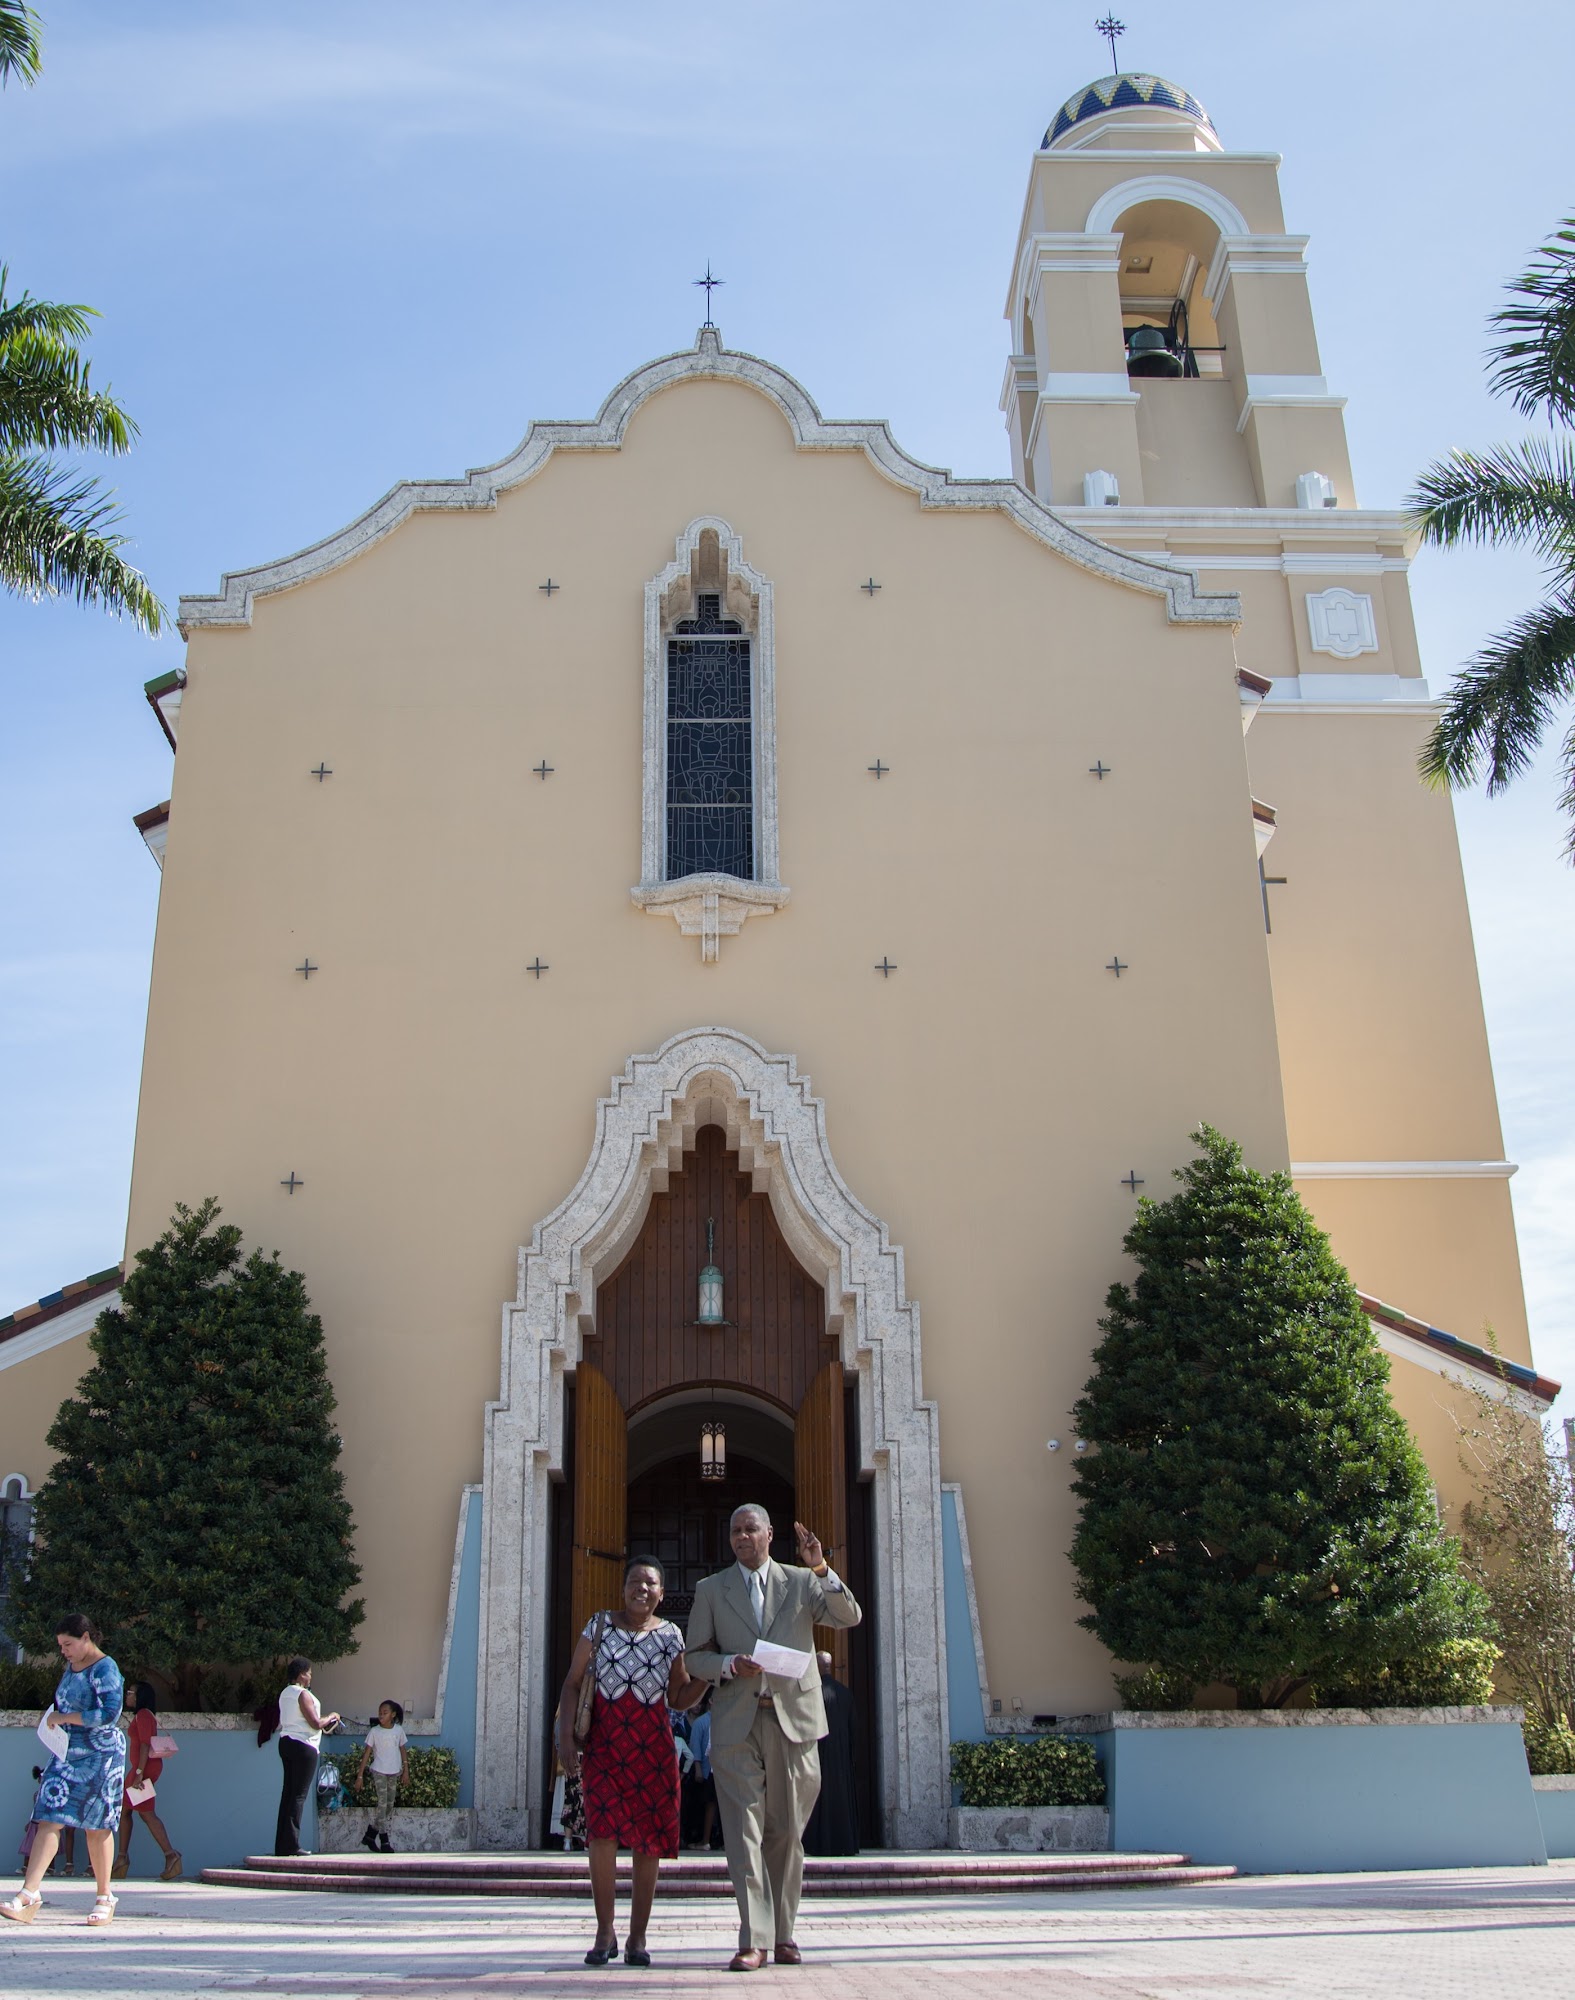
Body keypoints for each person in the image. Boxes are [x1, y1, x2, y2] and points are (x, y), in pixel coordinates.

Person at [684, 1507, 862, 1972]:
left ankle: (784, 1935)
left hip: (794, 1721)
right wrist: (727, 1665)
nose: (742, 1537)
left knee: (786, 1833)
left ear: (769, 1533)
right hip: (736, 1725)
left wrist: (821, 1568)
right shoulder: (710, 1590)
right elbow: (695, 1657)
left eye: (750, 1529)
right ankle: (754, 1938)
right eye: (735, 1530)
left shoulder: (802, 1582)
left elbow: (849, 1616)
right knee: (744, 1834)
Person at [556, 1556, 706, 1967]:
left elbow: (677, 1698)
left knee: (649, 1842)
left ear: (661, 1592)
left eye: (651, 1583)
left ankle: (637, 1938)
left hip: (653, 1751)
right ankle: (605, 1931)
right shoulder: (599, 1626)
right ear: (622, 1588)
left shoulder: (671, 1635)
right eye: (635, 1581)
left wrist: (708, 1676)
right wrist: (564, 1736)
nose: (642, 1588)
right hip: (605, 1747)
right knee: (601, 1837)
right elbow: (572, 1683)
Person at [0, 1613, 127, 1928]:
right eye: (60, 1645)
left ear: (86, 1638)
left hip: (101, 1755)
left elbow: (110, 1714)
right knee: (49, 1817)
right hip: (67, 1752)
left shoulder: (106, 1668)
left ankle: (104, 1897)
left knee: (97, 1826)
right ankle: (29, 1894)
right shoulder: (71, 1667)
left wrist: (64, 1718)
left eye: (68, 1644)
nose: (64, 1651)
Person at [112, 1681, 181, 1880]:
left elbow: (144, 1745)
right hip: (142, 1769)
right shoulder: (145, 1715)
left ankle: (170, 1855)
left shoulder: (143, 1715)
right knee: (127, 1811)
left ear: (139, 1695)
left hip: (143, 1769)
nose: (127, 1695)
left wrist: (139, 1773)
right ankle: (122, 1858)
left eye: (130, 1692)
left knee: (146, 1812)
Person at [274, 1657, 340, 1858]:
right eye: (309, 1673)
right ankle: (292, 1845)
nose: (311, 1677)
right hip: (304, 1746)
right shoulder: (303, 1694)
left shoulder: (285, 1693)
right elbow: (315, 1723)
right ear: (302, 1674)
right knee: (299, 1796)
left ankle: (282, 1845)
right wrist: (332, 1716)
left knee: (288, 1794)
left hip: (286, 1742)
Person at [801, 1652, 859, 1857]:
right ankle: (844, 1844)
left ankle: (817, 1844)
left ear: (816, 1667)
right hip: (841, 1759)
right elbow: (854, 1730)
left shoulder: (811, 1693)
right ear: (830, 1667)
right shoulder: (846, 1693)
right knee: (840, 1798)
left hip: (818, 1755)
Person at [353, 1700, 409, 1853]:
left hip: (394, 1771)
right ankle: (384, 1840)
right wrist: (360, 1776)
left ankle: (370, 1834)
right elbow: (367, 1753)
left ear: (393, 1715)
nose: (381, 1716)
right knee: (382, 1804)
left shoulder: (398, 1731)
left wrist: (406, 1770)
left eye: (385, 1713)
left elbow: (403, 1750)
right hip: (379, 1771)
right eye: (380, 1713)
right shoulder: (375, 1732)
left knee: (389, 1805)